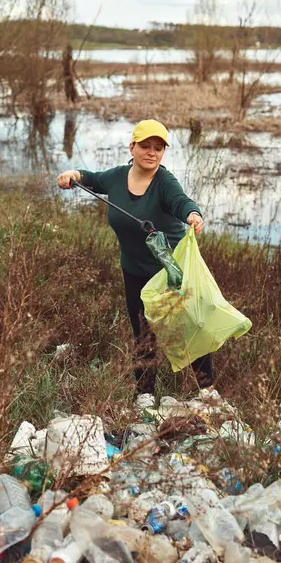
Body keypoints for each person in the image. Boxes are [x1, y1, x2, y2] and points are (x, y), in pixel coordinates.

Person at [57, 119, 214, 404]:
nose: (151, 152)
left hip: (170, 272)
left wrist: (193, 214)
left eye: (158, 148)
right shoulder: (117, 176)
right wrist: (73, 174)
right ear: (132, 147)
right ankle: (144, 393)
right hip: (135, 271)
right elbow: (93, 178)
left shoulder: (164, 182)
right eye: (145, 146)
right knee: (143, 331)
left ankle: (208, 391)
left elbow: (180, 201)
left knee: (189, 326)